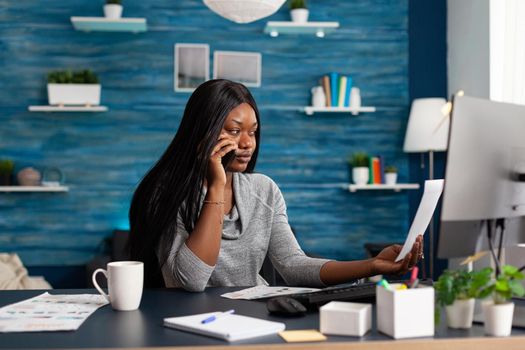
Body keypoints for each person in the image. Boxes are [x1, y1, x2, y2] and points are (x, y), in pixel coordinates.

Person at [129, 79, 423, 291]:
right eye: (234, 131)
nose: (247, 144)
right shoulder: (166, 193)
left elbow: (293, 265)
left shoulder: (263, 189)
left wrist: (370, 265)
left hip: (253, 320)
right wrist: (217, 186)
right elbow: (190, 280)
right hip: (188, 326)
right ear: (202, 132)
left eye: (253, 132)